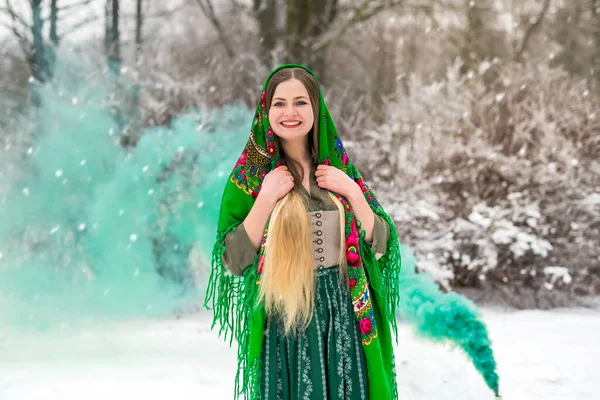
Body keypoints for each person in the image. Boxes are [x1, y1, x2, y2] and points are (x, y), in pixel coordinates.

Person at [204, 64, 402, 400]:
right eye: (279, 103)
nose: (290, 112)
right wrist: (266, 199)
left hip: (344, 314)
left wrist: (353, 193)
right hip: (287, 317)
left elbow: (382, 245)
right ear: (266, 112)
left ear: (316, 108)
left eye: (301, 102)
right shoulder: (251, 178)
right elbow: (233, 261)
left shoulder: (338, 170)